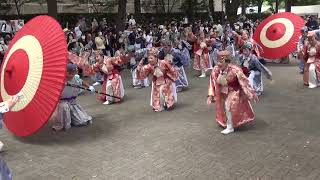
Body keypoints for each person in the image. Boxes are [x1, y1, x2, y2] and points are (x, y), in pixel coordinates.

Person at [207, 51, 258, 134]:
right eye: (219, 61)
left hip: (233, 90)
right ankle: (227, 122)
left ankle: (230, 127)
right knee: (223, 107)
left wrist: (251, 93)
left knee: (228, 106)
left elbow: (244, 81)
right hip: (222, 91)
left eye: (221, 62)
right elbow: (212, 81)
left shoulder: (235, 70)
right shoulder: (216, 69)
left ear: (227, 61)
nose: (219, 64)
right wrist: (210, 95)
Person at [52, 64, 95, 131]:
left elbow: (81, 82)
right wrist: (61, 84)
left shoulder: (76, 78)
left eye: (73, 73)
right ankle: (63, 122)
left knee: (82, 121)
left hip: (72, 102)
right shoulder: (59, 80)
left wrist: (89, 86)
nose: (71, 76)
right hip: (62, 103)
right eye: (70, 73)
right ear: (66, 72)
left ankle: (73, 118)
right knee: (64, 107)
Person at [136, 47, 179, 112]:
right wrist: (139, 69)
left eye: (151, 58)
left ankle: (167, 104)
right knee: (158, 91)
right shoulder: (149, 66)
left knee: (163, 90)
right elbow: (142, 73)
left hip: (166, 81)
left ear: (156, 57)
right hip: (156, 82)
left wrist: (173, 76)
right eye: (149, 58)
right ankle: (161, 105)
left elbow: (172, 70)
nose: (149, 60)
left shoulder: (164, 62)